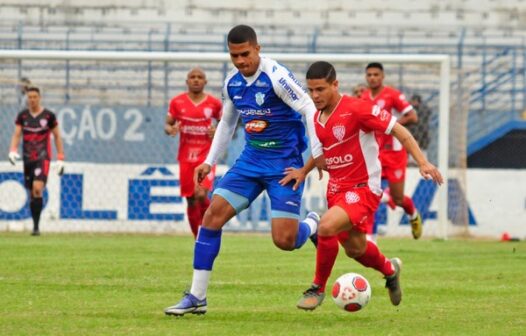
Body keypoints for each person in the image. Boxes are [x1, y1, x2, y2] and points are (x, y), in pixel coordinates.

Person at [164, 24, 325, 316]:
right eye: (234, 56)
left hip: (283, 164)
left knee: (284, 241)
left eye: (245, 54)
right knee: (211, 216)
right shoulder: (232, 84)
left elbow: (309, 109)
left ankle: (313, 223)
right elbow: (227, 123)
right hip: (250, 161)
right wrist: (209, 161)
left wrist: (316, 154)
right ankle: (197, 297)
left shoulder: (276, 76)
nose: (240, 61)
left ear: (258, 49)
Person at [280, 61, 443, 310]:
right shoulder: (314, 115)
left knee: (325, 227)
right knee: (355, 249)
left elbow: (400, 130)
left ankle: (317, 288)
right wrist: (304, 170)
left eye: (321, 89)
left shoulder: (358, 109)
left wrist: (423, 162)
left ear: (335, 85)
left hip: (363, 188)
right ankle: (390, 270)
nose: (315, 96)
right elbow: (322, 149)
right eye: (311, 90)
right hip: (336, 189)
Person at [362, 62, 423, 239]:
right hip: (374, 154)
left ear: (382, 77)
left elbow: (413, 116)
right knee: (372, 196)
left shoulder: (392, 95)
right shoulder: (364, 97)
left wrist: (390, 125)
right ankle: (370, 242)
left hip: (395, 153)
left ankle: (412, 214)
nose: (372, 77)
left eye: (376, 74)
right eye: (369, 75)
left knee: (397, 199)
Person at [165, 67, 222, 238]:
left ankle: (208, 231)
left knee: (201, 193)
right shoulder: (177, 102)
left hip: (206, 157)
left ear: (205, 82)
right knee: (190, 199)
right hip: (185, 157)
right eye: (192, 77)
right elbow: (167, 124)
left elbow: (226, 124)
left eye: (200, 77)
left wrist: (216, 130)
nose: (196, 80)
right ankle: (197, 237)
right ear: (187, 81)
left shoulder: (214, 103)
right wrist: (171, 129)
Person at [8, 86, 65, 236]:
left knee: (38, 188)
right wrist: (13, 151)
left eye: (34, 97)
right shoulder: (23, 116)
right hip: (27, 158)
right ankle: (35, 224)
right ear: (27, 98)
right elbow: (16, 135)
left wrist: (60, 158)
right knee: (32, 192)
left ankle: (36, 228)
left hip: (43, 158)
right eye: (30, 97)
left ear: (39, 98)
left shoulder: (48, 116)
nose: (32, 99)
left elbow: (57, 136)